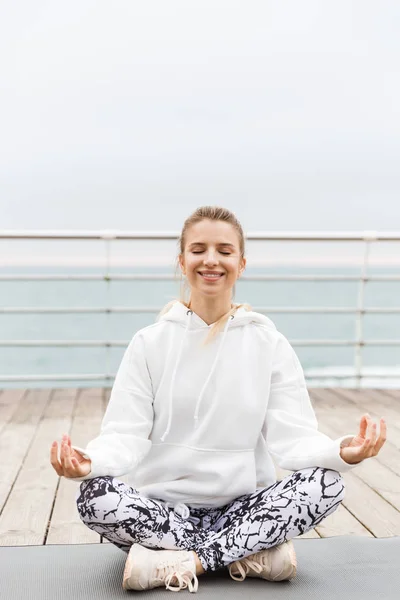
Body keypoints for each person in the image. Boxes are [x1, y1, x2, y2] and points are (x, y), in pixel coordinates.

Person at [50, 206, 387, 594]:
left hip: (245, 507)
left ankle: (182, 562)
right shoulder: (149, 343)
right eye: (199, 249)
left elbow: (294, 440)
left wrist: (345, 451)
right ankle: (247, 554)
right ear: (182, 261)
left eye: (224, 251)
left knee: (328, 483)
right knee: (94, 497)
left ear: (241, 264)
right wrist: (90, 462)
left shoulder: (268, 344)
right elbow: (125, 434)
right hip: (165, 512)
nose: (211, 260)